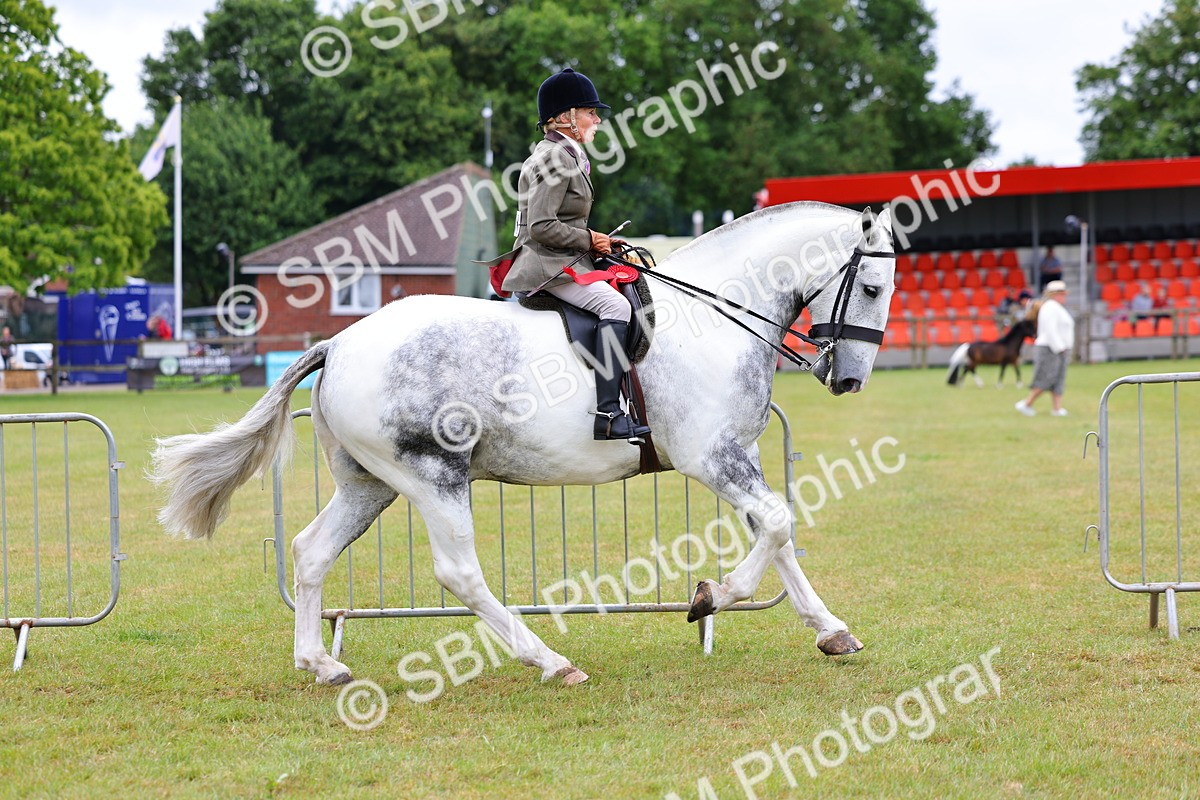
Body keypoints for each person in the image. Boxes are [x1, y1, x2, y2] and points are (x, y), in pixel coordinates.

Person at [488, 68, 649, 443]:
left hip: (566, 259)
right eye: (590, 112)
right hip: (549, 266)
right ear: (566, 117)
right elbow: (541, 227)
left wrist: (597, 241)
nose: (598, 119)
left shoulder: (566, 154)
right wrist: (590, 239)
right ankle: (608, 413)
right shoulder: (554, 158)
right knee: (617, 309)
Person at [1015, 280, 1074, 417]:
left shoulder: (1057, 308)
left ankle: (1057, 408)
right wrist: (1059, 347)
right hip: (1051, 348)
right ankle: (1026, 403)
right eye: (1062, 294)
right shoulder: (1050, 308)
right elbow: (1050, 330)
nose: (1064, 296)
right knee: (1046, 378)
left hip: (1058, 348)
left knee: (1058, 379)